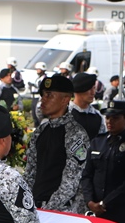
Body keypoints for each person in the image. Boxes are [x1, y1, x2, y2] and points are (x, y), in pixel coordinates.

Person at [24, 74, 90, 213]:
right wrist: (27, 204)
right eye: (43, 95)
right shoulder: (41, 130)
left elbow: (70, 183)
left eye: (49, 95)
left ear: (65, 99)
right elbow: (30, 172)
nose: (43, 100)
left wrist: (47, 210)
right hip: (37, 207)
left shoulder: (75, 133)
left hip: (63, 211)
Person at [80, 100, 125, 223]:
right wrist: (90, 201)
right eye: (108, 117)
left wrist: (105, 203)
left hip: (119, 212)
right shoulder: (97, 142)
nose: (110, 121)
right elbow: (86, 175)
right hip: (95, 210)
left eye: (115, 118)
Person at [69, 72, 106, 141]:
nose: (93, 92)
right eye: (89, 89)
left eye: (94, 88)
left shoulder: (98, 116)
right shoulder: (64, 114)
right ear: (78, 90)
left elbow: (102, 142)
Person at [31, 62, 48, 127]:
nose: (37, 71)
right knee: (34, 116)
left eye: (38, 69)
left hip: (39, 97)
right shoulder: (38, 78)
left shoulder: (45, 78)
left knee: (38, 115)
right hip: (34, 97)